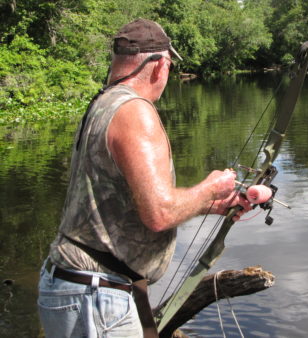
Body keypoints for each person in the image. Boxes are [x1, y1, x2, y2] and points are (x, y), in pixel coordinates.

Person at [37, 18, 251, 338]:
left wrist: (212, 204)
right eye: (169, 66)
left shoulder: (103, 103)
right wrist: (210, 187)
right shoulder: (135, 111)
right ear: (159, 66)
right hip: (95, 298)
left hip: (78, 289)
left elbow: (125, 204)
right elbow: (159, 214)